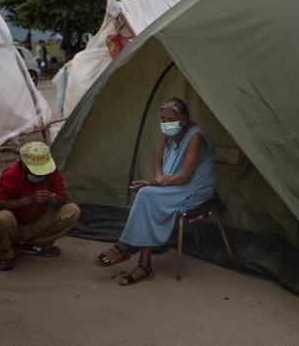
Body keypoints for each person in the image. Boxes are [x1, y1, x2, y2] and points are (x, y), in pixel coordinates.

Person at [93, 98, 216, 285]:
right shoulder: (169, 131)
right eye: (162, 119)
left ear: (182, 120)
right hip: (174, 184)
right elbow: (157, 161)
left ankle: (125, 248)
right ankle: (143, 264)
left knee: (146, 194)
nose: (165, 123)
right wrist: (158, 177)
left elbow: (185, 177)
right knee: (147, 197)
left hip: (195, 189)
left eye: (169, 119)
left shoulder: (195, 137)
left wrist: (153, 183)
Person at [0, 142, 81, 271]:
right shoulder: (12, 174)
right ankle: (4, 254)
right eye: (36, 171)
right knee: (2, 218)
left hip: (36, 223)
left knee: (72, 210)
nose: (40, 175)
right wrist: (29, 201)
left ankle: (36, 244)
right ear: (23, 165)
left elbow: (63, 197)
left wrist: (56, 200)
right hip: (14, 226)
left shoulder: (51, 171)